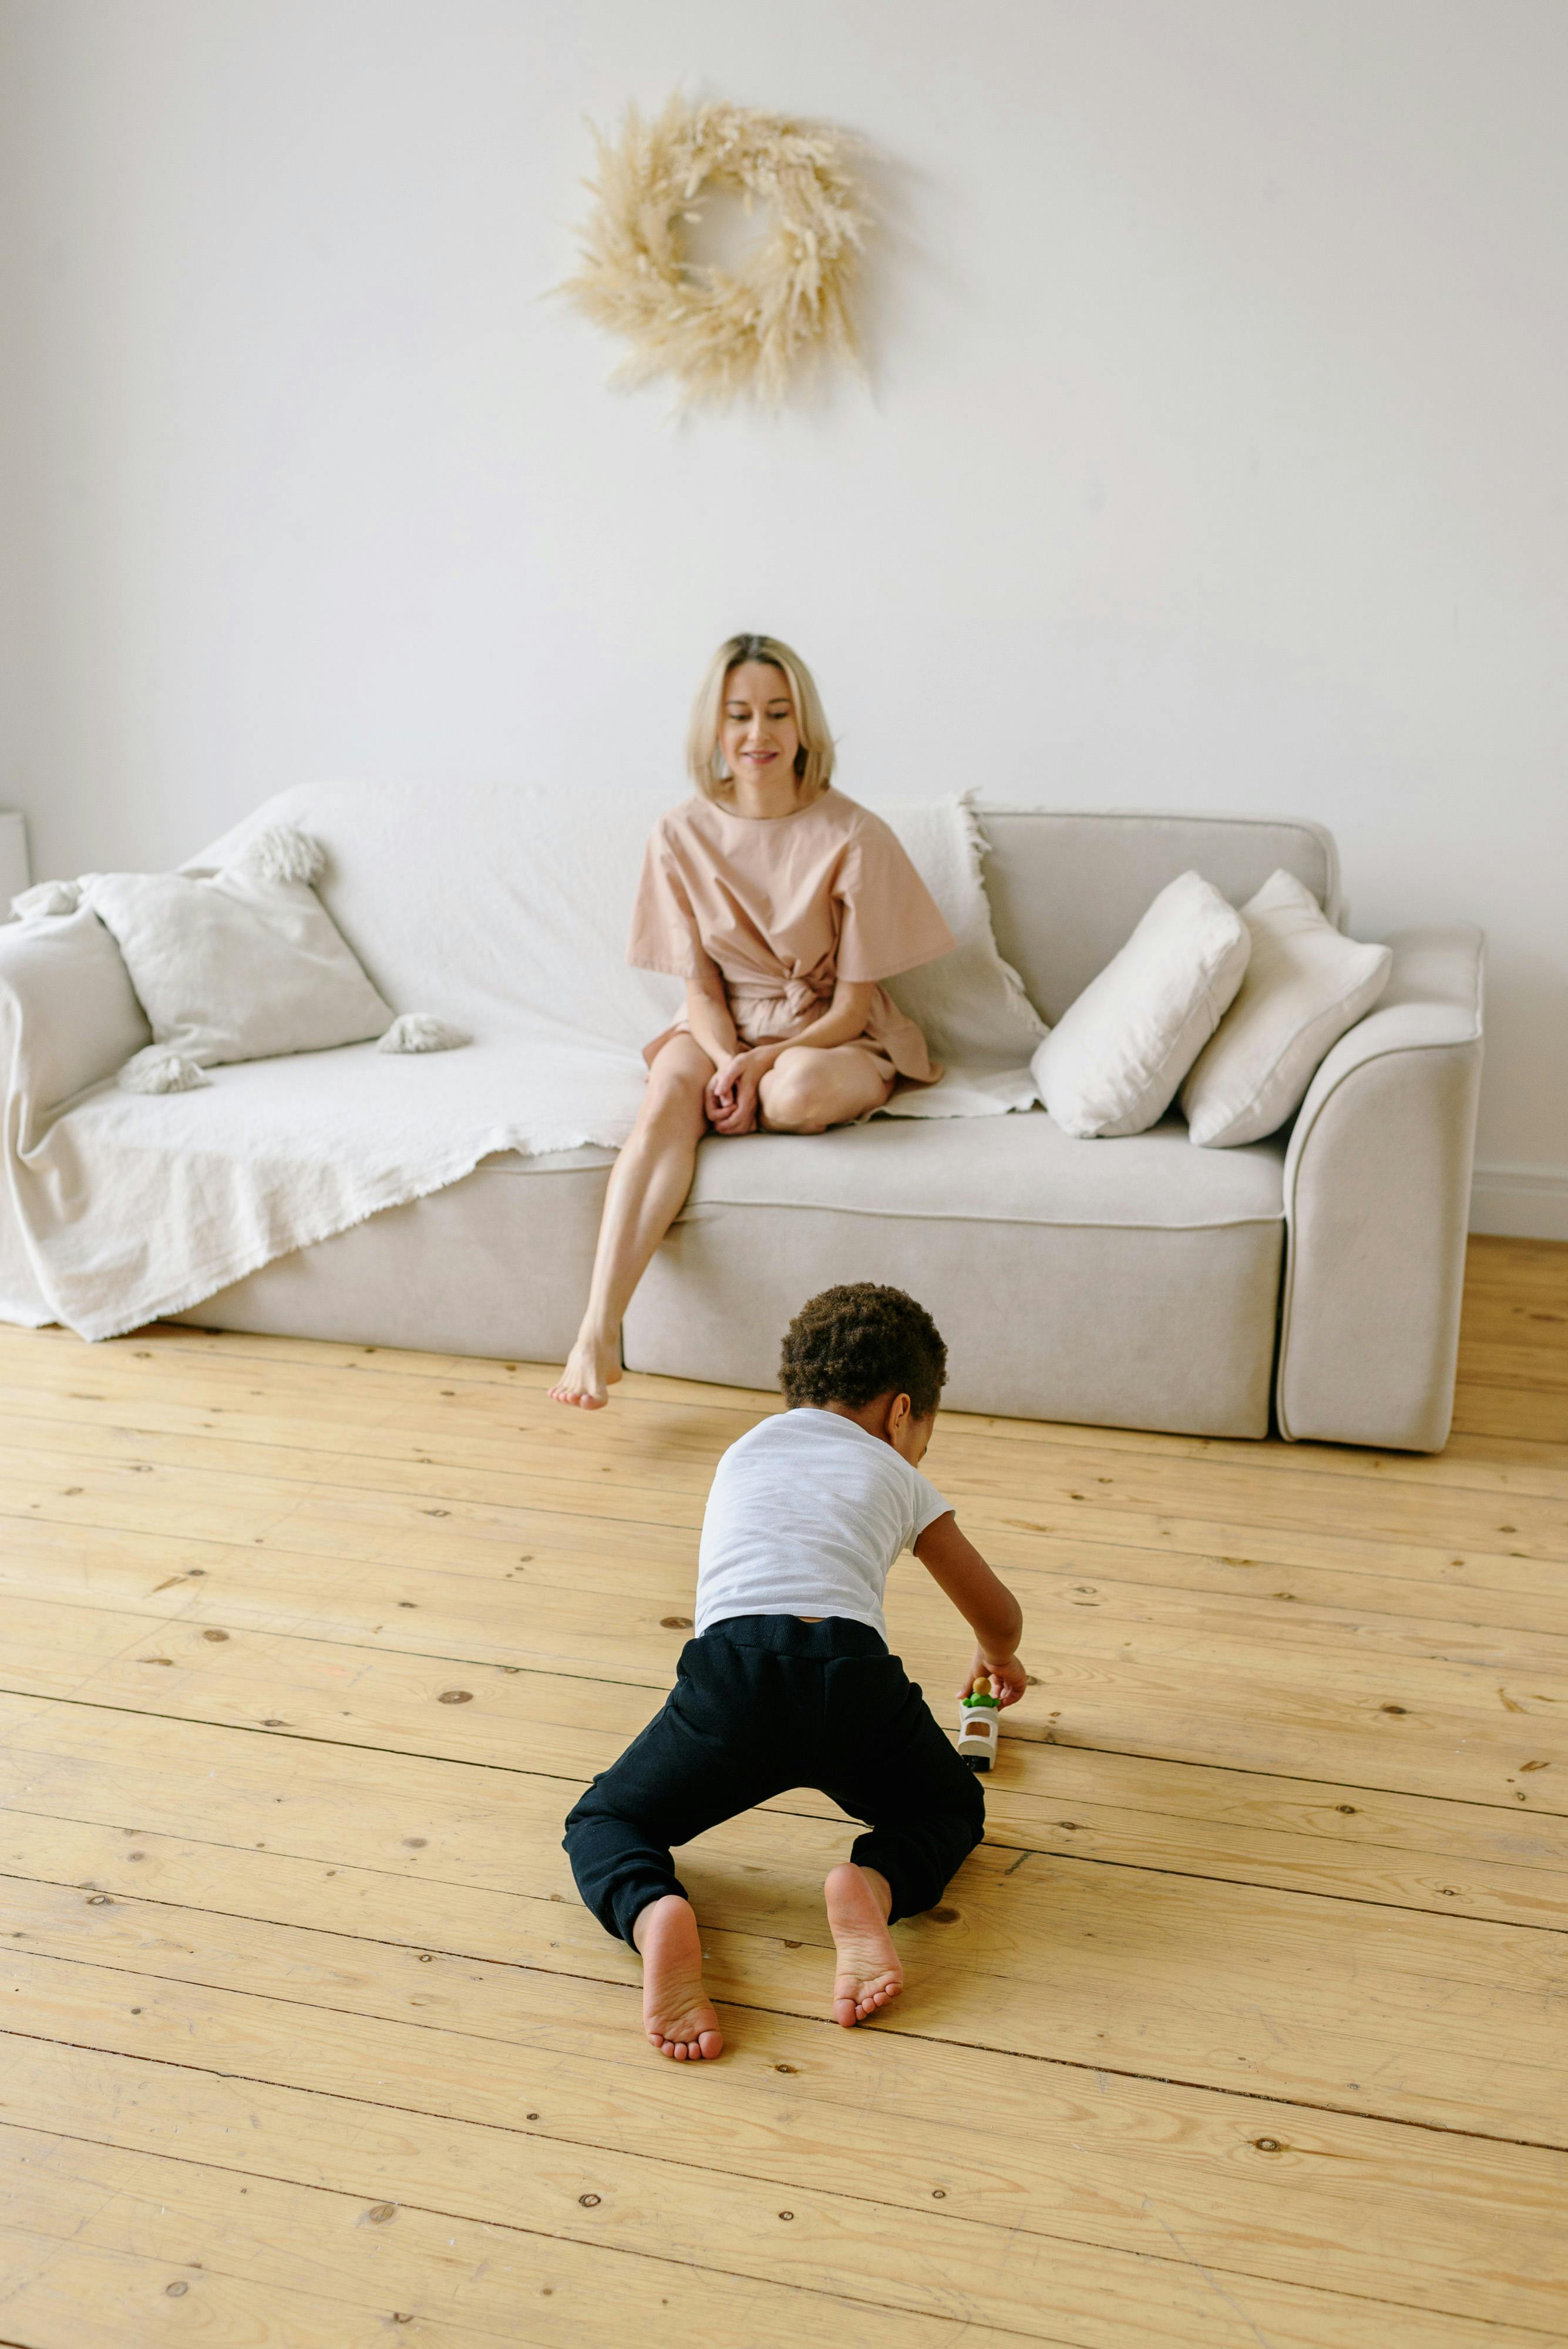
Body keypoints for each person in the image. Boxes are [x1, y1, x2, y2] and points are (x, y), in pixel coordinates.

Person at [562, 1283, 1028, 2061]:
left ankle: (653, 1916)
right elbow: (996, 1611)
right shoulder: (900, 1474)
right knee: (947, 1810)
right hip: (851, 1680)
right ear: (902, 1412)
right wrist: (997, 1654)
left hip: (730, 1681)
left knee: (607, 1824)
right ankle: (868, 1890)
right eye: (924, 1435)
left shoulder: (744, 1450)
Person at [549, 633, 956, 1409]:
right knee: (667, 1098)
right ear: (713, 727)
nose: (757, 735)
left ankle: (760, 1097)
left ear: (804, 727)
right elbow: (700, 989)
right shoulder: (678, 833)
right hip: (718, 1024)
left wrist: (764, 1065)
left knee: (794, 1092)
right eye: (738, 715)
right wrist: (726, 1056)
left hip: (821, 1028)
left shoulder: (854, 834)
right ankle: (596, 1332)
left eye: (777, 714)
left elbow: (853, 1007)